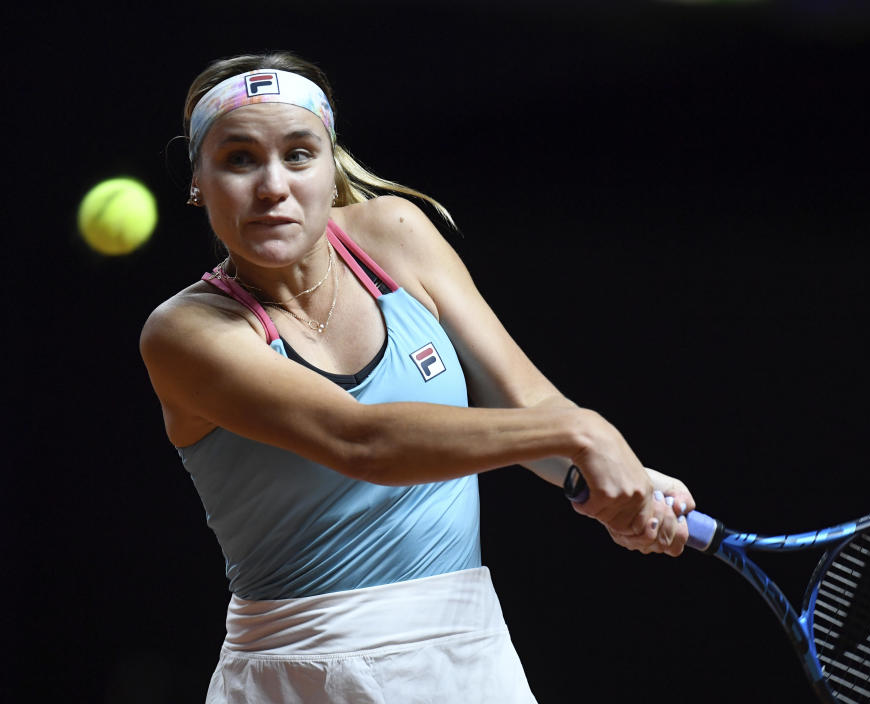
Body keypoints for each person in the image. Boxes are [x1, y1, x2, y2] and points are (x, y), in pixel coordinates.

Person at [140, 50, 696, 704]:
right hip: (299, 674)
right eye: (239, 159)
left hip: (468, 656)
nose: (273, 187)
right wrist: (582, 433)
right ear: (197, 181)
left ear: (329, 163)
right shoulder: (184, 334)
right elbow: (362, 442)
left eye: (298, 154)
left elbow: (528, 400)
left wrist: (596, 479)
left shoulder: (397, 232)